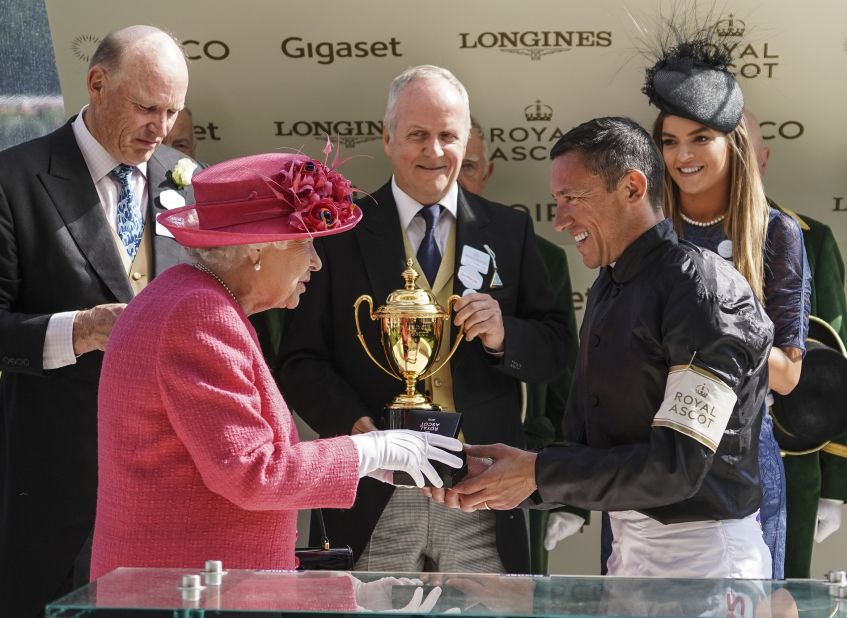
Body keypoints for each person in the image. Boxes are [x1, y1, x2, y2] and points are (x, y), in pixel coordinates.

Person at [90, 151, 463, 577]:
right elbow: (252, 471)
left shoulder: (194, 300)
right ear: (257, 251)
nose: (317, 262)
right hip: (189, 595)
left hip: (191, 587)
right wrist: (367, 450)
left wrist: (371, 463)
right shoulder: (198, 314)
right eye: (306, 243)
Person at [0, 25, 200, 618]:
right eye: (145, 108)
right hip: (59, 499)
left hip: (171, 494)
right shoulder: (10, 181)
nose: (159, 129)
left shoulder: (189, 181)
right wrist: (80, 330)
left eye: (172, 111)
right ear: (96, 83)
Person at [447, 116, 775, 579]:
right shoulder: (609, 285)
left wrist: (536, 473)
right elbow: (588, 448)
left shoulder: (703, 291)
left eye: (571, 199)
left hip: (708, 563)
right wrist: (504, 472)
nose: (559, 220)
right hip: (627, 551)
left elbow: (676, 467)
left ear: (633, 187)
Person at [276, 65, 573, 574]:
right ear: (387, 138)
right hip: (375, 488)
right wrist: (361, 434)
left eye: (447, 136)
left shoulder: (510, 231)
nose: (434, 152)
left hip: (479, 488)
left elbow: (555, 351)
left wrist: (505, 337)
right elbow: (301, 360)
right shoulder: (340, 234)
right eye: (417, 135)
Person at [645, 38, 811, 579]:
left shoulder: (776, 234)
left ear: (734, 140)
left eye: (700, 138)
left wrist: (726, 323)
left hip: (743, 459)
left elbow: (787, 377)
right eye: (669, 141)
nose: (682, 156)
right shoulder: (647, 230)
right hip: (647, 455)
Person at [458, 116, 583, 574]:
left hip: (517, 465)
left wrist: (570, 495)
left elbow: (564, 372)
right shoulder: (400, 245)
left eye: (468, 166)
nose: (456, 178)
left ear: (487, 172)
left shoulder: (538, 251)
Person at [744, 110, 847, 577]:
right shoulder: (668, 238)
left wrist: (836, 484)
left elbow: (836, 359)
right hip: (687, 454)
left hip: (791, 456)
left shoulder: (810, 238)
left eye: (746, 149)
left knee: (784, 598)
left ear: (764, 159)